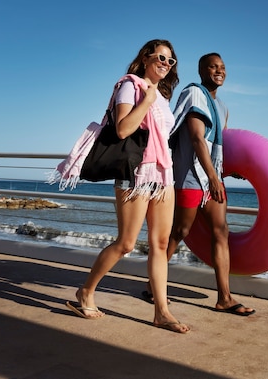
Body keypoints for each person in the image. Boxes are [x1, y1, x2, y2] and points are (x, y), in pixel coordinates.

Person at [66, 39, 190, 333]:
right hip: (136, 174)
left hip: (163, 175)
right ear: (146, 58)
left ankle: (162, 312)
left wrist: (154, 99)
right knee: (127, 243)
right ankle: (85, 291)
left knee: (160, 244)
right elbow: (122, 128)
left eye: (170, 61)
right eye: (161, 57)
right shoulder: (130, 85)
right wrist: (146, 100)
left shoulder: (163, 96)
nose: (166, 64)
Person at [146, 53, 255, 316]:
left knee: (221, 231)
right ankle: (153, 286)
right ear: (201, 70)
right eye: (213, 67)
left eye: (223, 67)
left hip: (211, 178)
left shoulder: (222, 107)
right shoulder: (195, 95)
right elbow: (196, 139)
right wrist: (214, 178)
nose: (219, 71)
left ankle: (225, 298)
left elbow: (214, 146)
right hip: (191, 177)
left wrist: (225, 172)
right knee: (180, 231)